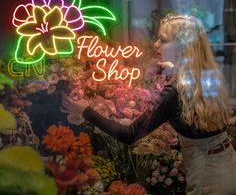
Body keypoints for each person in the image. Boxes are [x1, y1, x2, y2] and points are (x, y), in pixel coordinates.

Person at [61, 14, 236, 195]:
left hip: (207, 177)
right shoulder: (204, 76)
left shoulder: (174, 93)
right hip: (227, 165)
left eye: (163, 40)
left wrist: (85, 111)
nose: (155, 45)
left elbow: (128, 135)